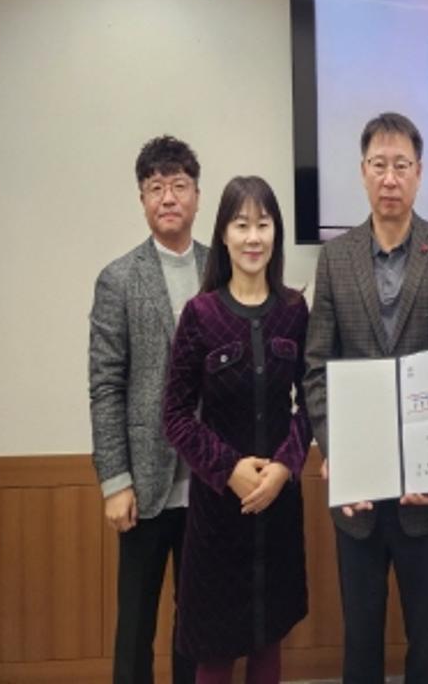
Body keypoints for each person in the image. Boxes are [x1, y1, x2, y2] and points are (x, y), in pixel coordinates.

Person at [303, 111, 428, 684]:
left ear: (419, 173)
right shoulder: (336, 257)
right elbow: (316, 367)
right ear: (362, 171)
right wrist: (337, 449)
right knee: (361, 639)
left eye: (401, 165)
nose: (389, 178)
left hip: (426, 492)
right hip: (358, 494)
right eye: (378, 165)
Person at [162, 176, 311, 684]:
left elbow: (311, 402)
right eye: (241, 225)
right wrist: (229, 470)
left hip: (278, 505)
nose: (253, 237)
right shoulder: (200, 315)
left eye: (263, 225)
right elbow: (175, 414)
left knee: (268, 640)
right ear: (223, 235)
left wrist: (285, 467)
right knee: (215, 649)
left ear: (276, 234)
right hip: (217, 512)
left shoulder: (293, 311)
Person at [89, 135, 204, 684]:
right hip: (144, 482)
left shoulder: (223, 268)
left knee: (197, 622)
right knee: (135, 623)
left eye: (178, 185)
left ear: (197, 195)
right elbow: (105, 385)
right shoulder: (118, 278)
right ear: (142, 200)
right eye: (155, 188)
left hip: (209, 481)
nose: (168, 197)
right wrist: (115, 480)